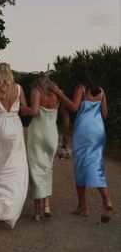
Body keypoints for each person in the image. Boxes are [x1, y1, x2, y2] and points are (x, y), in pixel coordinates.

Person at [50, 69, 112, 223]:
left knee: (80, 166)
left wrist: (58, 92)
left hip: (84, 130)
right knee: (95, 163)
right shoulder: (101, 91)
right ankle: (100, 202)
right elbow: (105, 114)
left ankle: (86, 206)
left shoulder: (80, 88)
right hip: (98, 130)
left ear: (79, 81)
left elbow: (74, 107)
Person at [0, 63, 29, 229]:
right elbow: (23, 109)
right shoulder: (18, 88)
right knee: (16, 169)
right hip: (15, 127)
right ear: (10, 73)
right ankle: (7, 206)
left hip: (0, 126)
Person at [20, 72, 65, 221]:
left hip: (37, 134)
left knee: (35, 171)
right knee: (48, 168)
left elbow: (34, 111)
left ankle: (37, 213)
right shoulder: (57, 94)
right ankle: (47, 205)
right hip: (52, 134)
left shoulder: (36, 91)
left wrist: (21, 108)